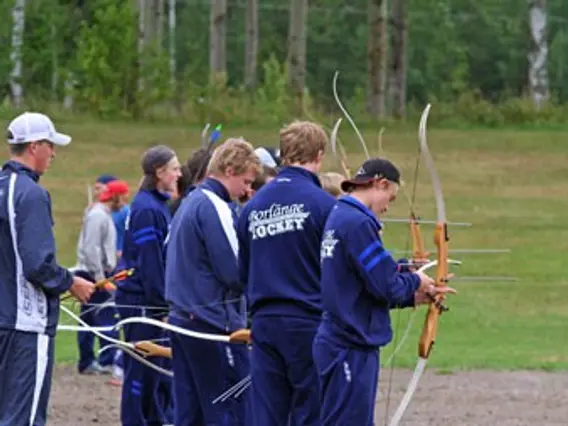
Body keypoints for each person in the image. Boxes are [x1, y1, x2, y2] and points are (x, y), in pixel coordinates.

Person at [312, 158, 458, 425]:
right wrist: (417, 281)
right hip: (348, 344)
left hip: (341, 340)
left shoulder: (340, 216)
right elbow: (386, 285)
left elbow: (367, 284)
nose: (387, 207)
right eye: (389, 197)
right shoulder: (357, 223)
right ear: (379, 184)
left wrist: (412, 284)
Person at [237, 121, 336, 426]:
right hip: (309, 321)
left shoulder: (252, 209)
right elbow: (338, 268)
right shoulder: (324, 204)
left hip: (264, 323)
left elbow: (243, 272)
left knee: (267, 414)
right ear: (319, 155)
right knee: (311, 412)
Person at [0, 112, 95, 425]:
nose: (53, 153)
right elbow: (37, 264)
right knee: (24, 418)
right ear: (35, 147)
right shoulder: (32, 194)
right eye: (50, 145)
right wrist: (72, 283)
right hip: (25, 326)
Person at [165, 138, 262, 425]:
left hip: (183, 319)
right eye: (246, 181)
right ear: (229, 170)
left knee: (190, 412)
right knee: (228, 409)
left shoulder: (188, 203)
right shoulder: (215, 205)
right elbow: (234, 271)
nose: (247, 190)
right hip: (212, 325)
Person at [115, 145, 181, 426]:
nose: (179, 174)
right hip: (141, 301)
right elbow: (150, 263)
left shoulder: (156, 206)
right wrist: (161, 306)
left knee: (155, 372)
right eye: (175, 168)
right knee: (141, 371)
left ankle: (154, 419)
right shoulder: (146, 209)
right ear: (160, 172)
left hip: (148, 300)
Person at [74, 180, 130, 376]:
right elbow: (92, 248)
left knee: (89, 318)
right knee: (104, 317)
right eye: (123, 196)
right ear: (115, 196)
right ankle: (104, 360)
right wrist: (101, 278)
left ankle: (88, 360)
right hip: (94, 274)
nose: (125, 201)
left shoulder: (102, 215)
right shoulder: (98, 216)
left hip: (95, 272)